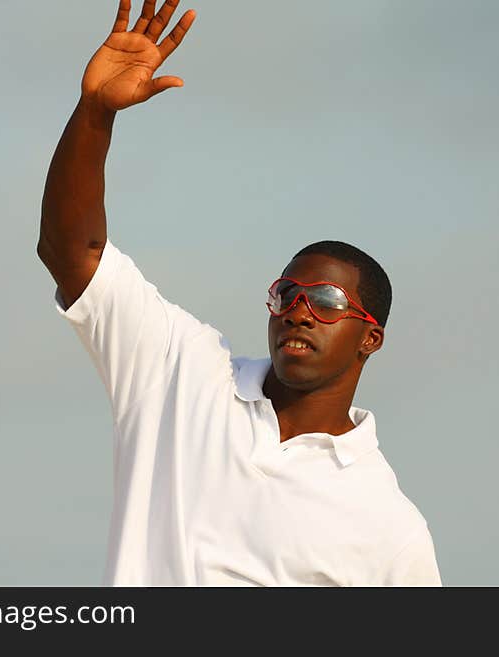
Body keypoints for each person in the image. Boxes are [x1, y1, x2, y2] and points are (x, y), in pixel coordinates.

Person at [38, 0, 441, 586]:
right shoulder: (181, 370)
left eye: (325, 301)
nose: (299, 313)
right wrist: (95, 113)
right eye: (287, 294)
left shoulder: (391, 528)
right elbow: (71, 252)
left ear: (370, 338)